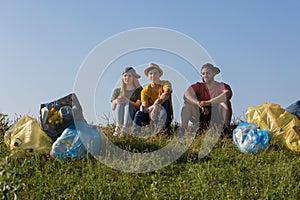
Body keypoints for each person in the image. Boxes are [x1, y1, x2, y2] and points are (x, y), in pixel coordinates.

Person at [181, 63, 233, 136]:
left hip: (216, 115)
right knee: (186, 104)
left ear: (214, 74)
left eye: (208, 73)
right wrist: (199, 104)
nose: (205, 75)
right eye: (203, 73)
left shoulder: (221, 85)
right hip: (200, 114)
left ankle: (226, 129)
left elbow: (227, 94)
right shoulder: (198, 86)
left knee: (225, 103)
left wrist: (208, 102)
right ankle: (183, 129)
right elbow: (186, 95)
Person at [133, 63, 173, 133]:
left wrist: (158, 103)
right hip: (150, 115)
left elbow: (167, 92)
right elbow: (145, 109)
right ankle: (134, 133)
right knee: (139, 113)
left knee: (165, 103)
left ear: (159, 75)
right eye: (150, 74)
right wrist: (154, 106)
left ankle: (161, 131)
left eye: (155, 73)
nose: (153, 76)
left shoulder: (165, 83)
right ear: (148, 76)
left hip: (164, 114)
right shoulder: (145, 91)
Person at [111, 67, 143, 136]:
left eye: (130, 76)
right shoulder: (117, 91)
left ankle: (125, 128)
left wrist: (128, 100)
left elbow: (138, 105)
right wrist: (116, 101)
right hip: (120, 115)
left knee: (128, 104)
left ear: (133, 77)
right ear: (122, 77)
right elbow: (113, 108)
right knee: (119, 104)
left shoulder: (138, 91)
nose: (127, 78)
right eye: (125, 76)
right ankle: (118, 127)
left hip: (132, 116)